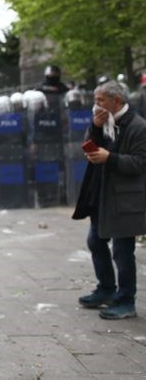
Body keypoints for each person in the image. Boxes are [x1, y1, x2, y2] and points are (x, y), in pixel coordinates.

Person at [72, 81, 146, 320]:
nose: (96, 106)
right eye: (95, 101)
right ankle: (106, 289)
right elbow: (90, 141)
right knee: (95, 240)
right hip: (101, 194)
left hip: (125, 200)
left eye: (100, 100)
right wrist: (94, 129)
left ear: (117, 101)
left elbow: (139, 163)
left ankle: (126, 301)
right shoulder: (104, 121)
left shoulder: (138, 126)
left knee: (123, 251)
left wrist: (109, 158)